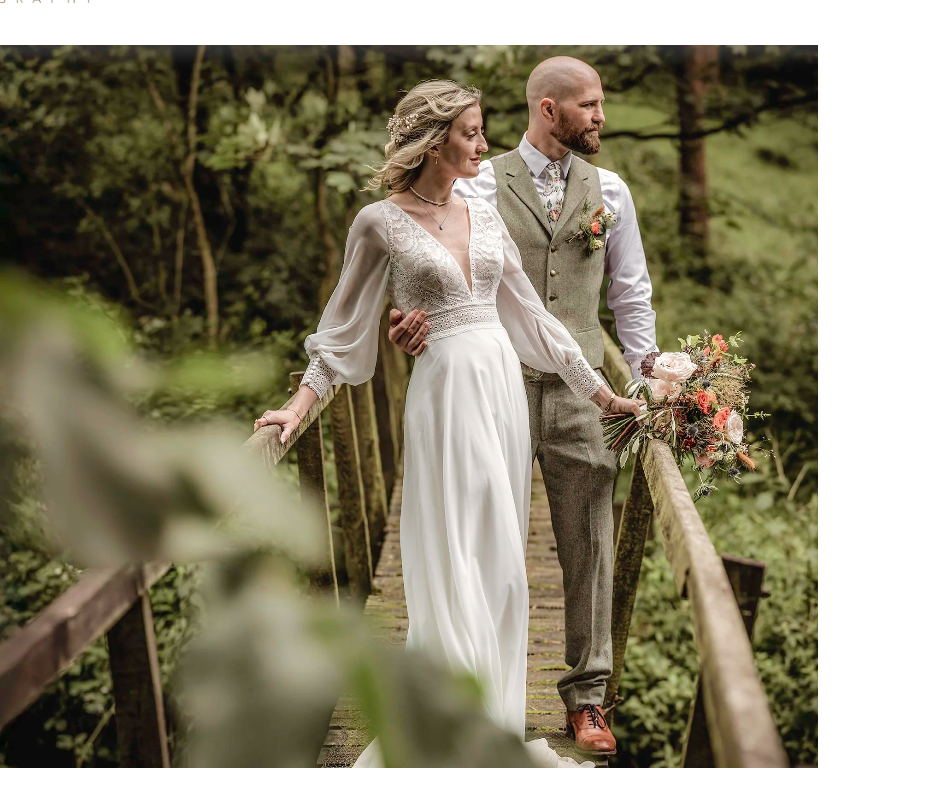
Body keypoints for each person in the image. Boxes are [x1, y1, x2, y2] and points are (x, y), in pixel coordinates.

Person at [252, 79, 643, 768]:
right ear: (433, 140)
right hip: (443, 396)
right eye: (471, 133)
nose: (483, 145)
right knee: (450, 556)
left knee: (502, 565)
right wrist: (298, 405)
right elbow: (340, 332)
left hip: (498, 390)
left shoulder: (483, 215)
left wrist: (599, 390)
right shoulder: (378, 222)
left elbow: (532, 317)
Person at [385, 56, 658, 757]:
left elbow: (630, 293)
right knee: (489, 535)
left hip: (579, 380)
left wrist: (648, 378)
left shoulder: (614, 192)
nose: (602, 116)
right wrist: (411, 317)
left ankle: (588, 696)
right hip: (495, 379)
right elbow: (426, 250)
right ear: (548, 108)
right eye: (590, 104)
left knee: (590, 530)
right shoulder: (478, 179)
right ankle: (470, 684)